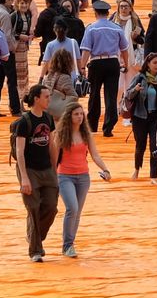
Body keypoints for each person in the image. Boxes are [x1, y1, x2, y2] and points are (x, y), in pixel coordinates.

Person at [54, 98, 110, 257]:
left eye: (81, 114)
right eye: (76, 114)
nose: (79, 117)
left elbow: (95, 155)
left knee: (77, 212)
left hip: (83, 177)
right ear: (69, 116)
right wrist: (52, 176)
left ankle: (70, 244)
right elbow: (54, 157)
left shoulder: (86, 134)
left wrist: (105, 169)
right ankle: (67, 245)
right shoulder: (61, 134)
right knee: (72, 207)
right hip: (65, 176)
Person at [14, 84, 58, 263]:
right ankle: (35, 251)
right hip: (29, 170)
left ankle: (34, 235)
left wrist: (55, 169)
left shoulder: (48, 118)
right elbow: (19, 151)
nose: (49, 99)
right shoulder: (24, 122)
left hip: (47, 169)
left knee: (51, 207)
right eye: (46, 96)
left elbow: (52, 144)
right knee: (33, 208)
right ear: (36, 99)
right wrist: (24, 177)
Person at [80, 0, 129, 138]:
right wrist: (125, 63)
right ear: (108, 13)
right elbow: (124, 49)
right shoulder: (116, 28)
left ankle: (93, 126)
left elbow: (86, 50)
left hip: (96, 63)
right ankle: (108, 127)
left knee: (94, 95)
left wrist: (82, 67)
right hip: (113, 62)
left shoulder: (91, 28)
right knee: (111, 96)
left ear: (95, 13)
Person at [125, 52, 157, 182]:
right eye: (154, 62)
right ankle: (137, 169)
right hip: (140, 117)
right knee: (140, 145)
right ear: (148, 64)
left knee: (155, 146)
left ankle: (153, 176)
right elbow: (128, 95)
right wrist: (136, 90)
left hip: (156, 117)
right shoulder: (140, 78)